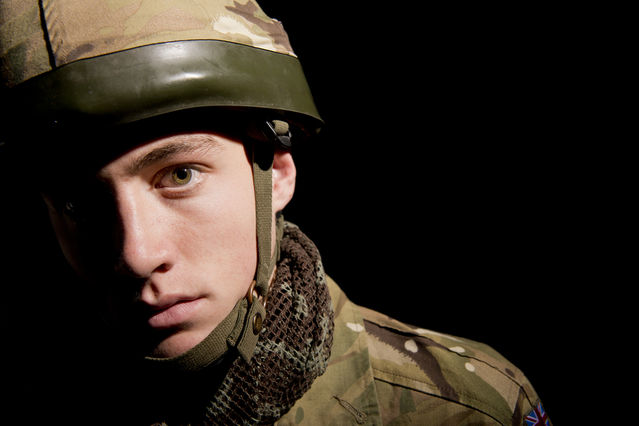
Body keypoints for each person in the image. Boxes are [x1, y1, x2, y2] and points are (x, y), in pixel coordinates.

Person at [0, 0, 551, 424]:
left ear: (278, 172)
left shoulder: (467, 406)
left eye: (180, 175)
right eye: (78, 203)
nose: (137, 256)